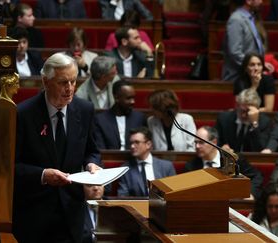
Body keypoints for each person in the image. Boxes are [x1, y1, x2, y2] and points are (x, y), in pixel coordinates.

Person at [12, 52, 102, 243]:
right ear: (46, 81)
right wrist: (43, 175)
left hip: (72, 213)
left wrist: (92, 165)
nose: (69, 89)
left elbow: (91, 151)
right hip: (34, 215)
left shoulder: (85, 110)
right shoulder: (23, 114)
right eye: (63, 82)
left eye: (73, 81)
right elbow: (11, 166)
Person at [183, 126, 263, 199]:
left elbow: (256, 176)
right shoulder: (190, 167)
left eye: (201, 142)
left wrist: (250, 193)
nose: (197, 146)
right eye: (196, 142)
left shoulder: (233, 159)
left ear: (214, 142)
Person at [117, 127, 176, 197]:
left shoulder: (166, 166)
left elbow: (173, 194)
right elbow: (122, 196)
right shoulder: (125, 169)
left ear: (148, 144)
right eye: (131, 143)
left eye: (137, 142)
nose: (132, 146)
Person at [94, 80, 147, 150]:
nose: (133, 102)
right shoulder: (100, 120)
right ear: (116, 98)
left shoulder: (139, 118)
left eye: (133, 98)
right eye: (128, 98)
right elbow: (100, 148)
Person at [222, 0, 264, 83]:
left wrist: (261, 65)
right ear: (248, 1)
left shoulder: (250, 18)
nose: (261, 2)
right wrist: (255, 66)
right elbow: (235, 52)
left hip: (250, 76)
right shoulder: (236, 20)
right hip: (238, 78)